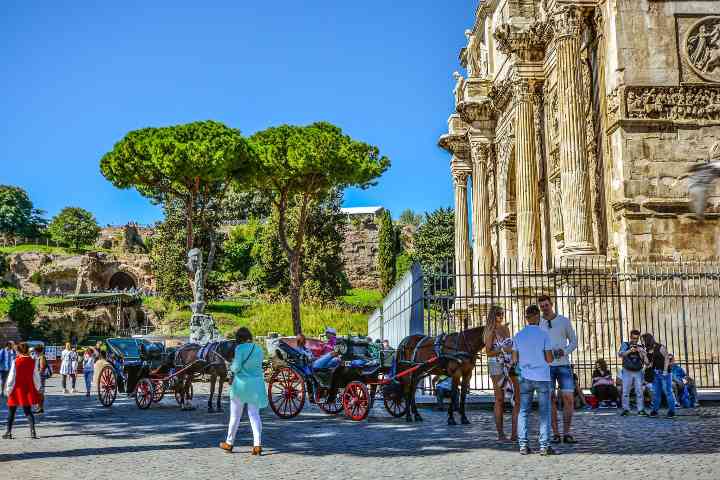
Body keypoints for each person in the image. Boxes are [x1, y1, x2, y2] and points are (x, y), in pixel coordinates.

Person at [513, 304, 556, 456]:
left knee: (523, 411)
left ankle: (523, 445)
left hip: (525, 377)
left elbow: (514, 358)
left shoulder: (518, 335)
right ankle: (544, 446)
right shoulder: (544, 335)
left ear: (526, 318)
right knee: (544, 412)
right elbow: (549, 359)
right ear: (538, 317)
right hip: (542, 377)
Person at [220, 327, 268, 455]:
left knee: (235, 416)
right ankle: (257, 445)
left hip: (241, 386)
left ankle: (229, 443)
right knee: (254, 415)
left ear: (239, 339)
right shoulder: (258, 349)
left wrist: (231, 366)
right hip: (256, 386)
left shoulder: (239, 349)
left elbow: (236, 368)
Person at [538, 295, 578, 444]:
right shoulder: (538, 323)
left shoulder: (563, 321)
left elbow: (574, 341)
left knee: (568, 398)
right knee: (550, 399)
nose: (544, 308)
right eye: (542, 306)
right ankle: (555, 433)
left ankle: (567, 432)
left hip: (563, 364)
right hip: (546, 366)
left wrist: (565, 351)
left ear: (551, 304)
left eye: (546, 305)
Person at [484, 305, 519, 442]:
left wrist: (509, 351)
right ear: (493, 315)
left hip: (508, 362)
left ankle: (514, 433)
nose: (501, 316)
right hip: (495, 364)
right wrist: (503, 350)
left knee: (515, 396)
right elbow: (488, 352)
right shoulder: (490, 331)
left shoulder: (506, 328)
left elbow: (510, 346)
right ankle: (500, 434)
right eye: (498, 314)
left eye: (502, 313)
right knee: (499, 398)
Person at [3, 342, 40, 439]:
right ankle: (33, 432)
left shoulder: (16, 361)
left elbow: (11, 377)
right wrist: (37, 387)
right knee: (28, 411)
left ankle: (8, 432)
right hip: (27, 388)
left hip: (16, 388)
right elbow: (36, 376)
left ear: (18, 351)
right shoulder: (33, 361)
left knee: (11, 412)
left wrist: (8, 389)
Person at [641, 333, 676, 418]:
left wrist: (664, 370)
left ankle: (672, 411)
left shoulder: (660, 347)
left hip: (665, 373)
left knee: (668, 392)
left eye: (643, 340)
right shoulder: (647, 350)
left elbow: (667, 358)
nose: (641, 342)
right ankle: (655, 411)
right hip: (655, 373)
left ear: (647, 340)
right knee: (656, 393)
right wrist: (643, 354)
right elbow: (648, 364)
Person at [618, 329, 648, 416]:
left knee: (639, 391)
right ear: (630, 337)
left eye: (636, 338)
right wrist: (629, 351)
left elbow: (645, 361)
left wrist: (641, 351)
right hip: (627, 370)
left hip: (638, 371)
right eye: (633, 338)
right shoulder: (625, 345)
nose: (635, 340)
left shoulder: (640, 347)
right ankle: (626, 409)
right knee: (626, 391)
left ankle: (640, 409)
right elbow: (620, 354)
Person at [34, 345, 50, 414]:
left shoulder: (42, 357)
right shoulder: (38, 357)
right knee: (39, 393)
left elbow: (42, 367)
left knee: (40, 393)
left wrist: (37, 375)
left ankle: (40, 408)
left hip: (40, 377)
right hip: (39, 377)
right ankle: (39, 407)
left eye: (35, 351)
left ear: (37, 351)